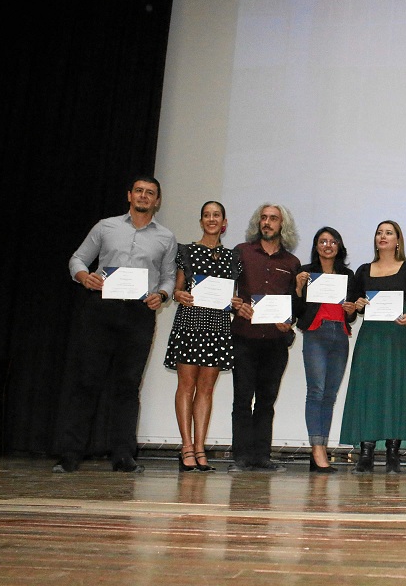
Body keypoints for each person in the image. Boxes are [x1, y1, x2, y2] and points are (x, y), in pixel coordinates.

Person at [55, 175, 177, 473]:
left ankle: (123, 456)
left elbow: (169, 276)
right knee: (86, 381)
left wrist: (162, 294)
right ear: (129, 195)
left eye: (150, 193)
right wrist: (84, 277)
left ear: (157, 201)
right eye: (139, 191)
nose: (144, 197)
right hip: (101, 309)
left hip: (139, 315)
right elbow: (78, 259)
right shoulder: (105, 226)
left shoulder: (166, 237)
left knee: (128, 385)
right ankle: (71, 454)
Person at [339, 221, 406, 473]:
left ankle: (393, 454)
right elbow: (352, 311)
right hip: (372, 338)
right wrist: (354, 306)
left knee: (399, 391)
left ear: (398, 239)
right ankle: (365, 454)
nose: (383, 236)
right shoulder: (363, 271)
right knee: (369, 391)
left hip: (401, 337)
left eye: (389, 233)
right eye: (379, 232)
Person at [165, 200, 241, 472]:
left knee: (206, 389)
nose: (211, 219)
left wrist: (236, 302)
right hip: (190, 322)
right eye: (206, 215)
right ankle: (186, 446)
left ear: (224, 223)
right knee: (187, 385)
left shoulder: (234, 257)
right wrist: (178, 294)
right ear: (201, 222)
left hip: (218, 326)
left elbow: (234, 295)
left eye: (216, 215)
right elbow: (178, 289)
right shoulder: (186, 251)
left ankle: (200, 448)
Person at [228, 203, 300, 473]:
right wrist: (234, 304)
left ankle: (261, 457)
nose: (267, 223)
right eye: (264, 218)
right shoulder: (241, 252)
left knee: (267, 401)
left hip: (275, 341)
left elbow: (294, 302)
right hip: (244, 337)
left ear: (283, 225)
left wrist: (289, 321)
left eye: (273, 219)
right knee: (242, 399)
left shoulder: (291, 263)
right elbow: (226, 288)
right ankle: (241, 457)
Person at [293, 227, 360, 473]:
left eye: (333, 241)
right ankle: (318, 449)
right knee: (316, 391)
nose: (327, 245)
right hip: (316, 334)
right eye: (323, 241)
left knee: (329, 396)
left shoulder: (348, 275)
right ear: (316, 246)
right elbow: (298, 310)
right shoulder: (306, 272)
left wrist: (351, 309)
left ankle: (320, 447)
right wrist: (299, 288)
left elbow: (351, 316)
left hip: (340, 335)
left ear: (339, 246)